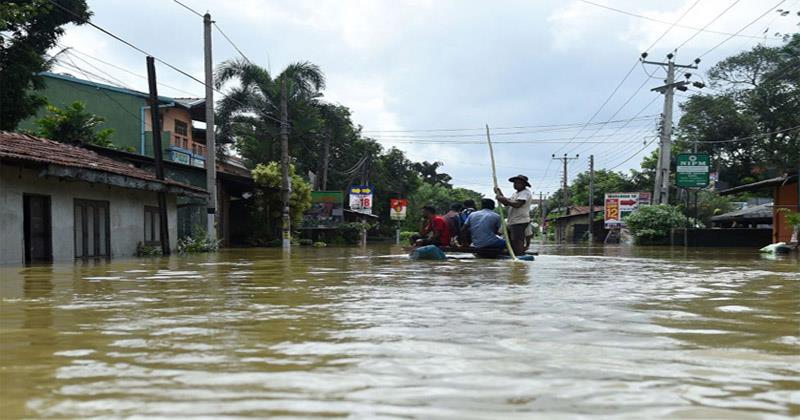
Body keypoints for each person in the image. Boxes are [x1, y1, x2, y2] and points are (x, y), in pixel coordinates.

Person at [495, 174, 533, 255]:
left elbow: (517, 204)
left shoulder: (525, 193)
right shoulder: (516, 194)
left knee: (517, 241)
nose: (516, 184)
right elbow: (507, 203)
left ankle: (519, 256)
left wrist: (502, 198)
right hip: (513, 221)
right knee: (512, 240)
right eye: (515, 183)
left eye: (518, 183)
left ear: (524, 184)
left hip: (519, 221)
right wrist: (500, 194)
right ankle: (514, 254)